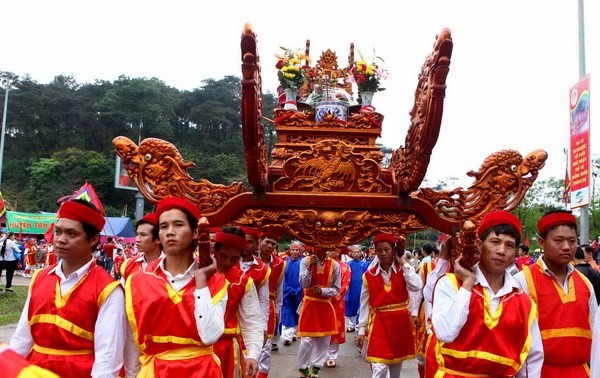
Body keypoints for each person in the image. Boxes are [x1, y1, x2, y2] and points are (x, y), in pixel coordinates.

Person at [10, 199, 126, 377]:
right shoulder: (40, 278)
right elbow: (22, 339)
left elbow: (107, 357)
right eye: (58, 231)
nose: (60, 240)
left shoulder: (108, 289)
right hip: (36, 371)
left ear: (93, 239)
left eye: (71, 234)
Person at [125, 196, 228, 376]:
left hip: (202, 371)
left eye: (178, 225)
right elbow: (130, 341)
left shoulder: (216, 282)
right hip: (154, 370)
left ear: (195, 232)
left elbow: (210, 335)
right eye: (164, 226)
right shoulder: (137, 280)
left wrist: (201, 280)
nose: (170, 232)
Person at [432, 210, 543, 377]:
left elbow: (531, 359)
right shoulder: (450, 284)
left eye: (509, 245)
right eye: (495, 242)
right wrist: (468, 284)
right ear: (479, 245)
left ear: (515, 253)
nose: (501, 250)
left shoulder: (524, 302)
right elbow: (446, 333)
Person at [514, 210, 596, 377]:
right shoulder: (522, 281)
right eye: (558, 240)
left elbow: (596, 333)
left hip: (581, 371)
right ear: (542, 242)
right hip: (538, 372)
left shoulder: (585, 284)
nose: (566, 247)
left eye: (572, 241)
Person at [355, 233, 422, 378]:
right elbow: (364, 304)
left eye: (387, 249)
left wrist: (403, 262)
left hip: (400, 323)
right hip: (379, 323)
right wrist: (361, 330)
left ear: (393, 250)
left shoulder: (403, 271)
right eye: (379, 250)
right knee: (379, 367)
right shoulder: (369, 275)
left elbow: (417, 286)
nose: (383, 253)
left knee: (395, 368)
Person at [213, 226, 262, 378]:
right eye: (223, 256)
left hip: (227, 349)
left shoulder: (243, 281)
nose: (228, 262)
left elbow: (251, 320)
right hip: (195, 348)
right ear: (214, 250)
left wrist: (252, 355)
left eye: (234, 258)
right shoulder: (195, 271)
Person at [297, 246, 341, 378]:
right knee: (307, 340)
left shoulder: (334, 265)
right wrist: (310, 268)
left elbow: (337, 289)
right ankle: (303, 368)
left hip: (325, 305)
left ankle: (316, 369)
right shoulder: (305, 261)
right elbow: (303, 284)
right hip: (309, 304)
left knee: (324, 339)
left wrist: (323, 291)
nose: (318, 248)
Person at [256, 232, 286, 378]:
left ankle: (262, 373)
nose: (269, 246)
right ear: (260, 241)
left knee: (265, 342)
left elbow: (279, 288)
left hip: (269, 305)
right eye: (267, 242)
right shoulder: (251, 259)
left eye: (273, 244)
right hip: (249, 303)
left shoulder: (280, 264)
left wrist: (278, 309)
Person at [119, 212, 163, 281]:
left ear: (158, 239)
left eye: (143, 235)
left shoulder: (170, 266)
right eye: (137, 234)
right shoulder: (129, 265)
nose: (137, 239)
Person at [326, 247, 351, 368]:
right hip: (322, 301)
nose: (329, 252)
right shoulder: (322, 264)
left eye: (332, 250)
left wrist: (333, 296)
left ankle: (331, 356)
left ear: (338, 251)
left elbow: (346, 284)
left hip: (337, 303)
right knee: (323, 328)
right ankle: (321, 355)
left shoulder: (345, 267)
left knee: (336, 328)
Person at [281, 240, 304, 346]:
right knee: (287, 313)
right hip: (287, 292)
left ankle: (293, 333)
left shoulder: (303, 262)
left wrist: (298, 290)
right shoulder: (285, 261)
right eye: (292, 250)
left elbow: (305, 278)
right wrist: (288, 289)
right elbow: (282, 278)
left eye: (296, 250)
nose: (294, 252)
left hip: (298, 293)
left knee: (296, 312)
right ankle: (286, 337)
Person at [345, 245, 365, 333]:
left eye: (358, 252)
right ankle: (350, 325)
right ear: (351, 254)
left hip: (361, 287)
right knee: (350, 306)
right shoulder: (348, 264)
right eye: (354, 252)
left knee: (360, 305)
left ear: (361, 253)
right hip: (351, 287)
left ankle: (358, 324)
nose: (356, 253)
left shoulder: (363, 264)